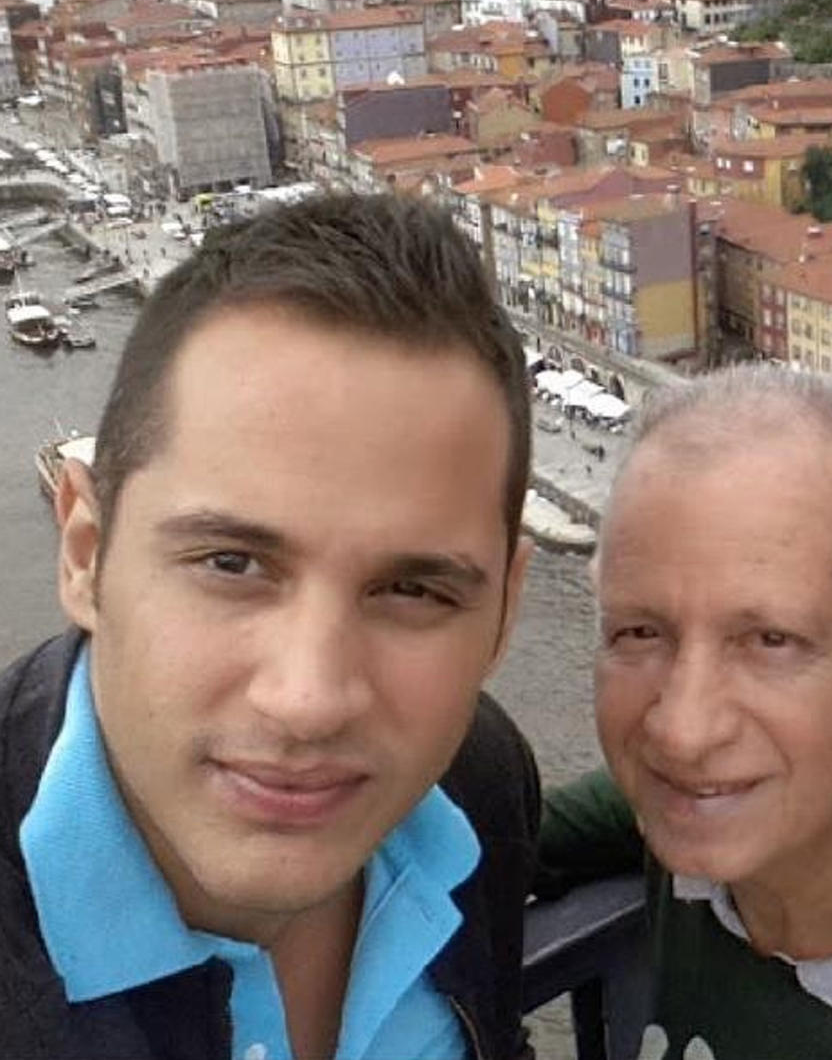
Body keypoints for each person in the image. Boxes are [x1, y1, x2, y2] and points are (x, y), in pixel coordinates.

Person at [0, 193, 539, 1060]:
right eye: (231, 564)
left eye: (411, 588)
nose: (309, 700)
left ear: (506, 610)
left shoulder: (478, 781)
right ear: (85, 554)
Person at [538, 365, 832, 1059]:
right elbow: (501, 836)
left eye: (772, 640)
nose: (683, 730)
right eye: (640, 632)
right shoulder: (688, 811)